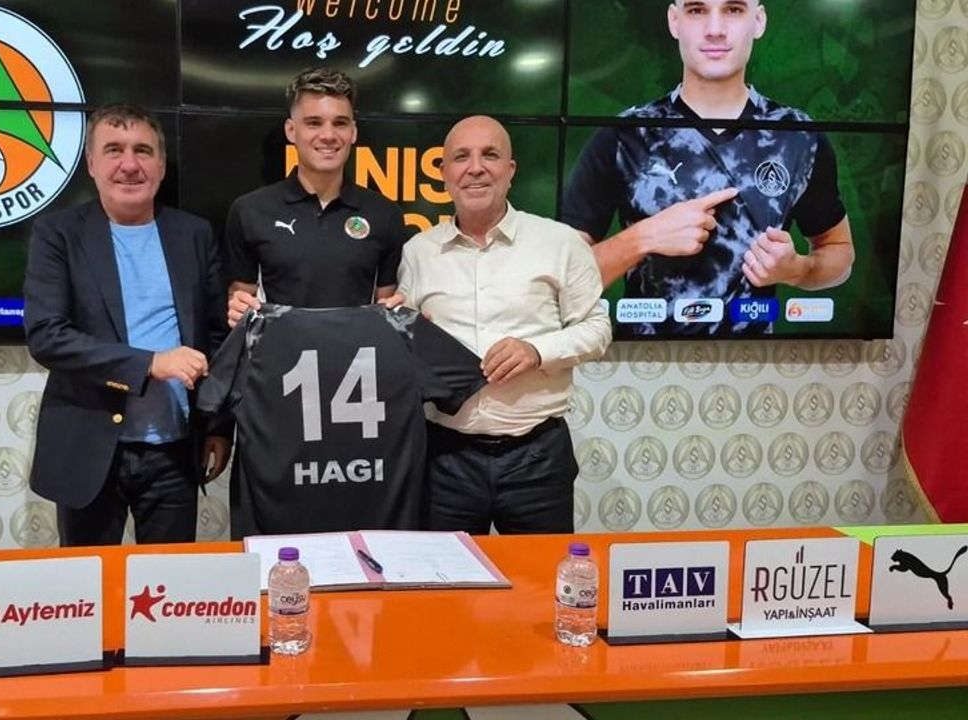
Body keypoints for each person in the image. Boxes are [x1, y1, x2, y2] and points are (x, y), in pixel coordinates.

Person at [562, 0, 854, 335]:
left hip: (760, 361)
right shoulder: (625, 135)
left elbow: (839, 252)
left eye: (733, 10)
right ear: (674, 21)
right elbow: (563, 281)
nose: (715, 30)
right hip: (642, 358)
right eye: (697, 10)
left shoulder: (798, 136)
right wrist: (642, 238)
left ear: (759, 21)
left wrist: (798, 269)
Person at [24, 104, 230, 546]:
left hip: (175, 454)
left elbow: (217, 337)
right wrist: (150, 363)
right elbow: (47, 336)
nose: (130, 164)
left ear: (161, 165)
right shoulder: (58, 234)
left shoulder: (194, 234)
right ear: (91, 164)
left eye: (143, 151)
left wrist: (218, 425)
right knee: (87, 581)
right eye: (114, 150)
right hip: (88, 449)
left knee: (168, 582)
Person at [398, 115, 612, 534]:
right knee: (445, 574)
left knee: (541, 574)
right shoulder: (417, 252)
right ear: (443, 173)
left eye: (490, 155)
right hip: (446, 458)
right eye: (461, 157)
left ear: (510, 170)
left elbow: (597, 329)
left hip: (537, 457)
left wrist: (537, 352)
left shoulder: (560, 242)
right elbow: (401, 341)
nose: (475, 168)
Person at [224, 67, 410, 324]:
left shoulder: (385, 214)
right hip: (279, 350)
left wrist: (400, 311)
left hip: (358, 350)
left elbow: (386, 309)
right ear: (291, 131)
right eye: (314, 123)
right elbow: (241, 301)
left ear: (353, 132)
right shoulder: (249, 210)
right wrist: (237, 311)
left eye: (340, 123)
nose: (328, 136)